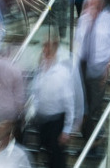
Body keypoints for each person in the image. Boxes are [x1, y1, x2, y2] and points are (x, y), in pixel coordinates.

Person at [74, 0, 110, 137]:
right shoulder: (83, 20)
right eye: (89, 4)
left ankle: (93, 139)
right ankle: (89, 137)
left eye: (95, 5)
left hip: (101, 67)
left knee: (94, 106)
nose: (91, 8)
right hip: (83, 65)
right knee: (84, 104)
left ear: (101, 5)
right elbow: (78, 43)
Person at [32, 36, 79, 168]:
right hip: (42, 120)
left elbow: (69, 102)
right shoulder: (41, 70)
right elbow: (36, 92)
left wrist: (67, 129)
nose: (44, 51)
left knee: (57, 157)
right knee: (47, 153)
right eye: (44, 48)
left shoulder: (62, 73)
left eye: (47, 48)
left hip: (57, 121)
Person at [0, 54, 26, 125]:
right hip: (11, 109)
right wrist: (22, 113)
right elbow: (19, 96)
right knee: (8, 131)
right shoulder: (16, 69)